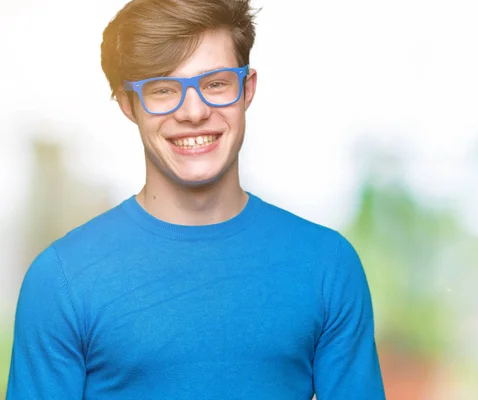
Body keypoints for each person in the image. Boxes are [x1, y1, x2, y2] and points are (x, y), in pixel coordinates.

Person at [7, 0, 385, 398]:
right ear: (127, 104)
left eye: (215, 83)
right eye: (163, 89)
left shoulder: (327, 265)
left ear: (247, 89)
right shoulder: (62, 278)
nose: (194, 111)